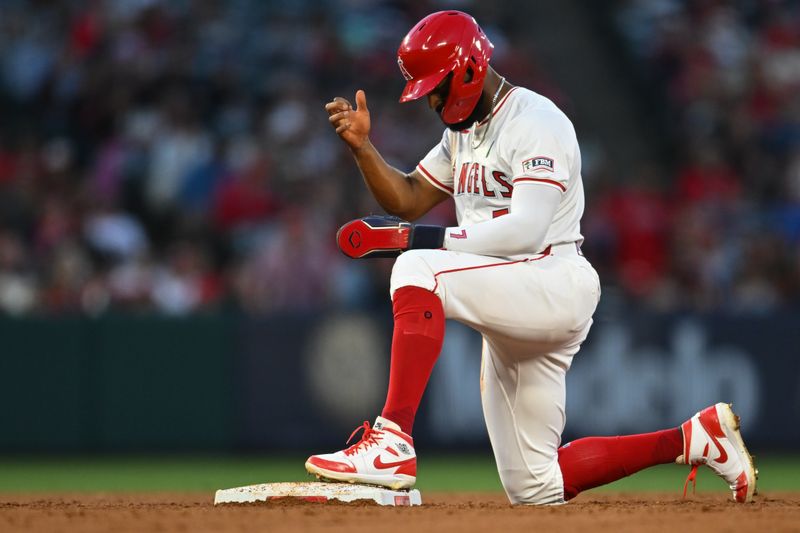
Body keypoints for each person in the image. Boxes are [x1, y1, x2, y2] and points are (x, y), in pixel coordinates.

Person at [305, 11, 757, 504]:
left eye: (437, 87)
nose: (432, 100)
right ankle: (696, 438)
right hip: (511, 293)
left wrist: (422, 241)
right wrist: (364, 149)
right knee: (534, 486)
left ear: (470, 69)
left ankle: (392, 439)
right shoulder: (463, 131)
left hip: (552, 280)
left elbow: (526, 231)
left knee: (417, 267)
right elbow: (408, 196)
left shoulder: (536, 121)